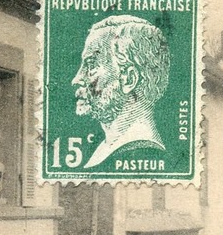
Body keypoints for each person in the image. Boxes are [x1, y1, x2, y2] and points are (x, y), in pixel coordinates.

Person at [72, 14, 170, 169]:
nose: (77, 79)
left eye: (91, 65)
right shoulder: (105, 150)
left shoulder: (139, 151)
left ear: (129, 79)